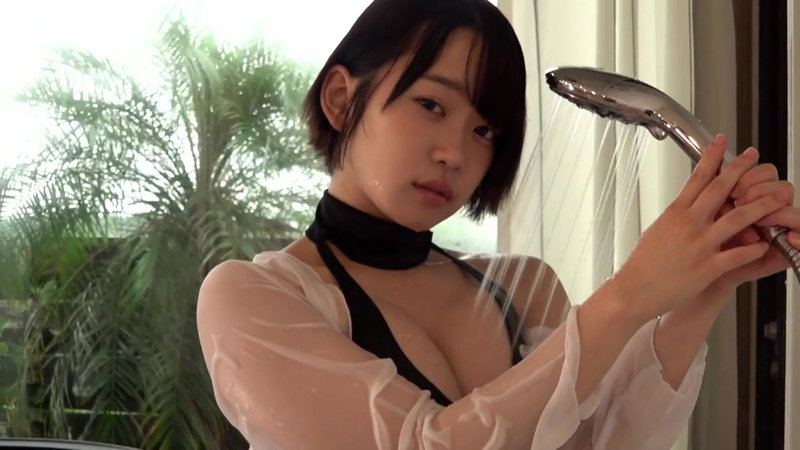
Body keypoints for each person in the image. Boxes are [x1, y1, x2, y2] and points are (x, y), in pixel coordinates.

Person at [196, 0, 800, 448]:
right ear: (339, 98)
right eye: (431, 104)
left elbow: (604, 442)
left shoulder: (520, 287)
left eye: (485, 129)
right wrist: (628, 295)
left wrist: (708, 285)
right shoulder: (254, 297)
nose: (456, 153)